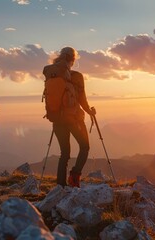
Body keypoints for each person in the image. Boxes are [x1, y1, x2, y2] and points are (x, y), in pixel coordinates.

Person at [43, 47, 96, 187]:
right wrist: (90, 111)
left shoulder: (52, 74)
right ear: (72, 59)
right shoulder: (76, 76)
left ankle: (60, 186)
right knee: (84, 147)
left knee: (64, 153)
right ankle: (74, 176)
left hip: (56, 118)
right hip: (73, 119)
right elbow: (82, 101)